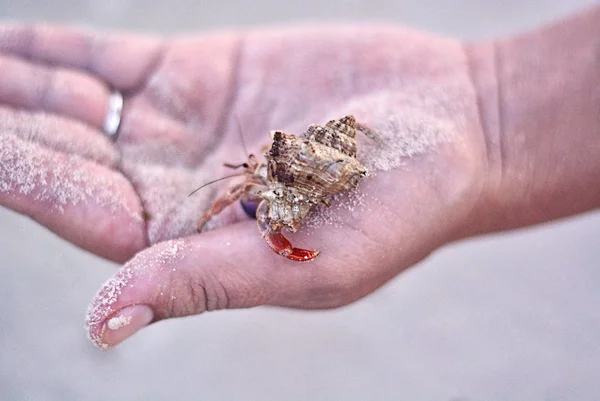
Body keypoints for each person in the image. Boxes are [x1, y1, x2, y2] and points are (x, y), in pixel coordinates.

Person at [0, 6, 598, 349]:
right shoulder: (260, 174)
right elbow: (246, 185)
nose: (247, 182)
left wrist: (485, 110)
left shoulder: (292, 169)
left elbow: (276, 196)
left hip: (314, 163)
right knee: (243, 188)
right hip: (301, 162)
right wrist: (493, 101)